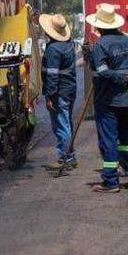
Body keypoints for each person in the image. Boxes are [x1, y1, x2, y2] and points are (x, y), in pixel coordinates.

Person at [86, 4, 128, 193]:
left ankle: (111, 181)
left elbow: (102, 72)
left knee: (109, 140)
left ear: (99, 26)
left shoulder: (100, 45)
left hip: (108, 101)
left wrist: (121, 78)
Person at [40, 14, 78, 169]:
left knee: (61, 125)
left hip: (59, 92)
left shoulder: (53, 49)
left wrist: (49, 96)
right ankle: (70, 154)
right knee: (67, 122)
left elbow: (52, 75)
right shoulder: (69, 45)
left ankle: (66, 156)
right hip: (70, 89)